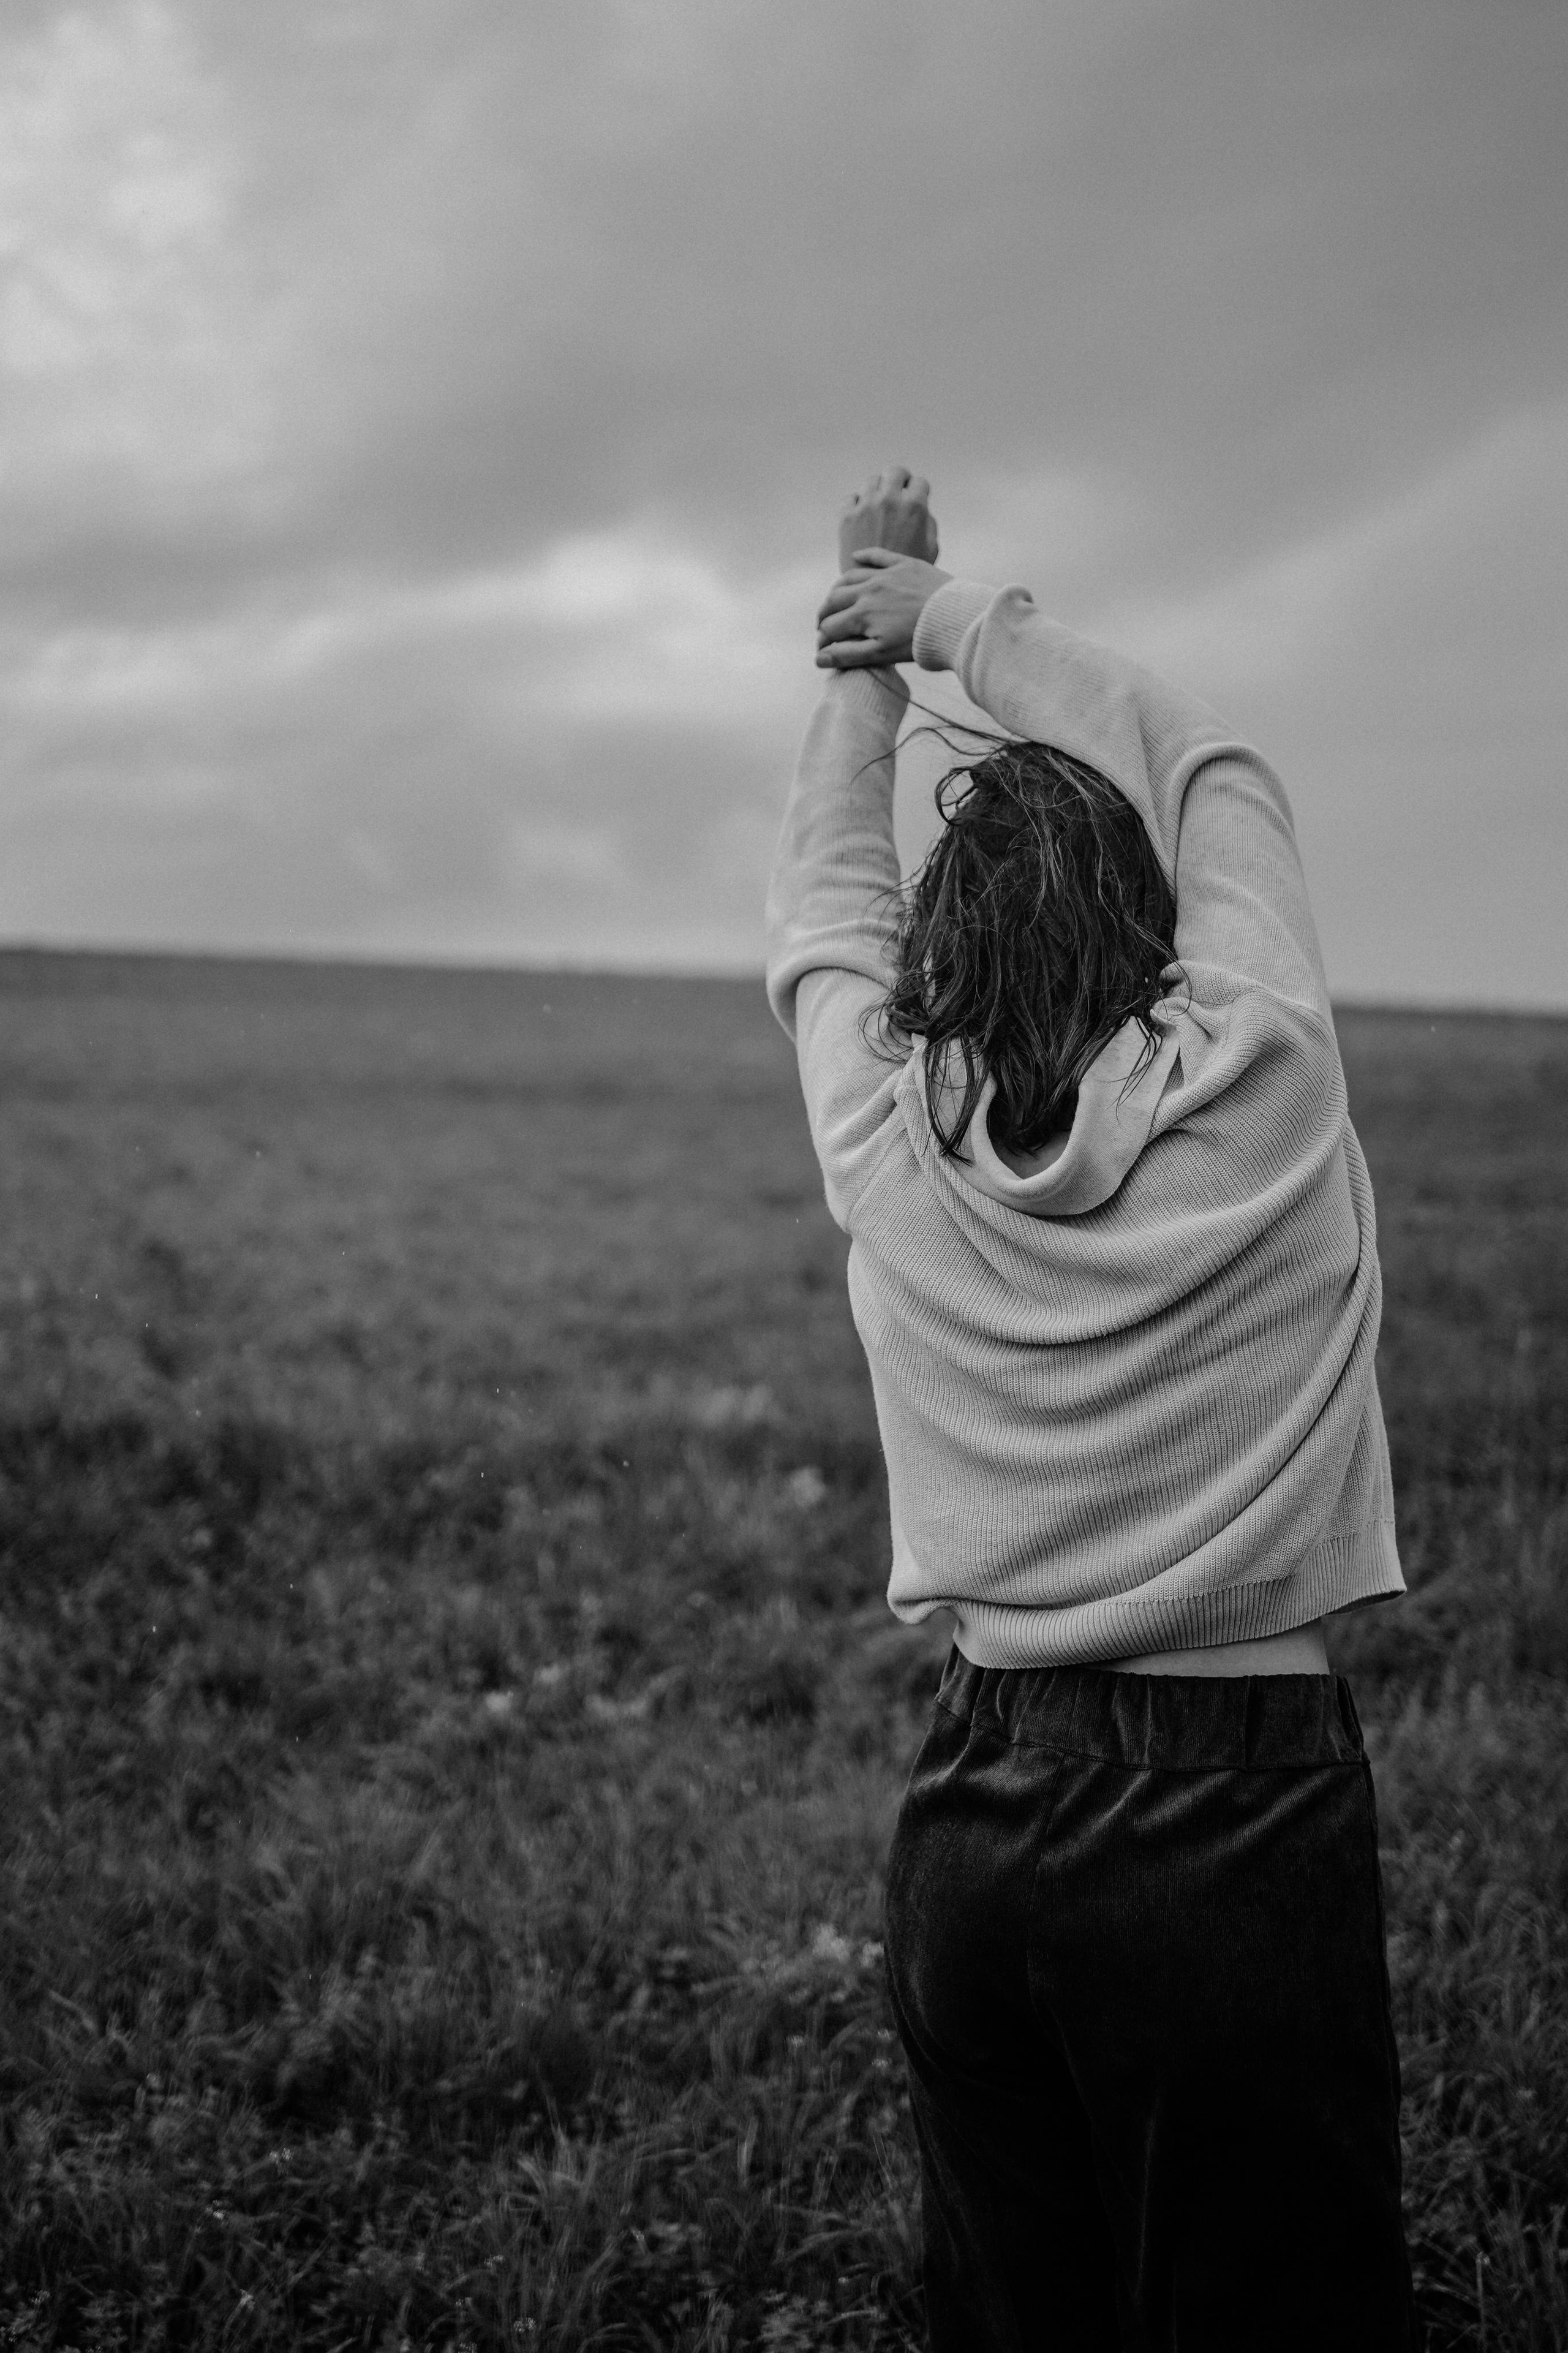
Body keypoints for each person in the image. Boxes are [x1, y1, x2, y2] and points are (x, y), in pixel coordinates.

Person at [764, 467, 1417, 2351]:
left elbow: (822, 902)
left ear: (938, 949)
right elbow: (1212, 765)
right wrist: (952, 612)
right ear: (1160, 927)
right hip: (1239, 1826)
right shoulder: (1264, 1082)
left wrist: (859, 663)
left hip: (970, 1822)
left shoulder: (888, 1134)